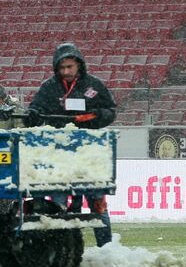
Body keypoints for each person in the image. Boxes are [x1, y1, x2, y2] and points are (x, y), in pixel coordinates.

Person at [25, 43, 117, 245]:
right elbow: (35, 108)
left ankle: (107, 248)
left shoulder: (94, 85)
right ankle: (64, 247)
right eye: (62, 68)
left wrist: (95, 117)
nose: (66, 72)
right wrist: (32, 115)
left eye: (69, 67)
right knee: (59, 205)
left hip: (89, 155)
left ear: (79, 65)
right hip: (59, 158)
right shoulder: (49, 88)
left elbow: (111, 110)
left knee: (98, 204)